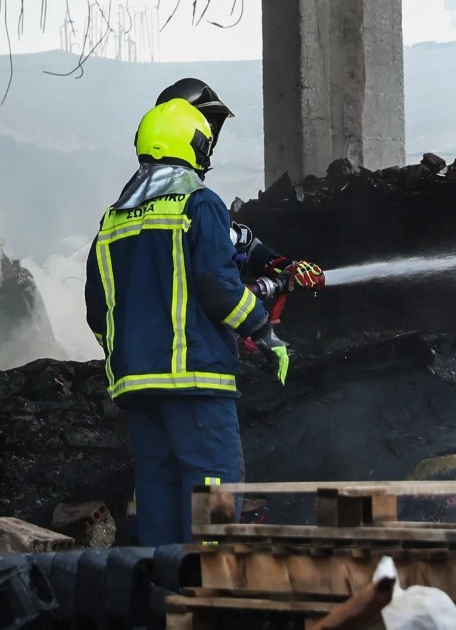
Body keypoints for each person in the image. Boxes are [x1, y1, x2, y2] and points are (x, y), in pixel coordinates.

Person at [85, 97, 292, 546]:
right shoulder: (198, 204)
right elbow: (217, 286)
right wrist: (263, 331)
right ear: (193, 146)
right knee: (212, 486)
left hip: (137, 387)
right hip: (195, 382)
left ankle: (161, 598)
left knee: (156, 489)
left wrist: (126, 355)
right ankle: (206, 587)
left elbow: (97, 309)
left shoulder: (113, 219)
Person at [153, 78, 326, 298]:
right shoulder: (197, 206)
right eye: (205, 129)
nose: (209, 141)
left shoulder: (129, 209)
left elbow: (235, 241)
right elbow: (216, 290)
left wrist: (281, 265)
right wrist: (255, 320)